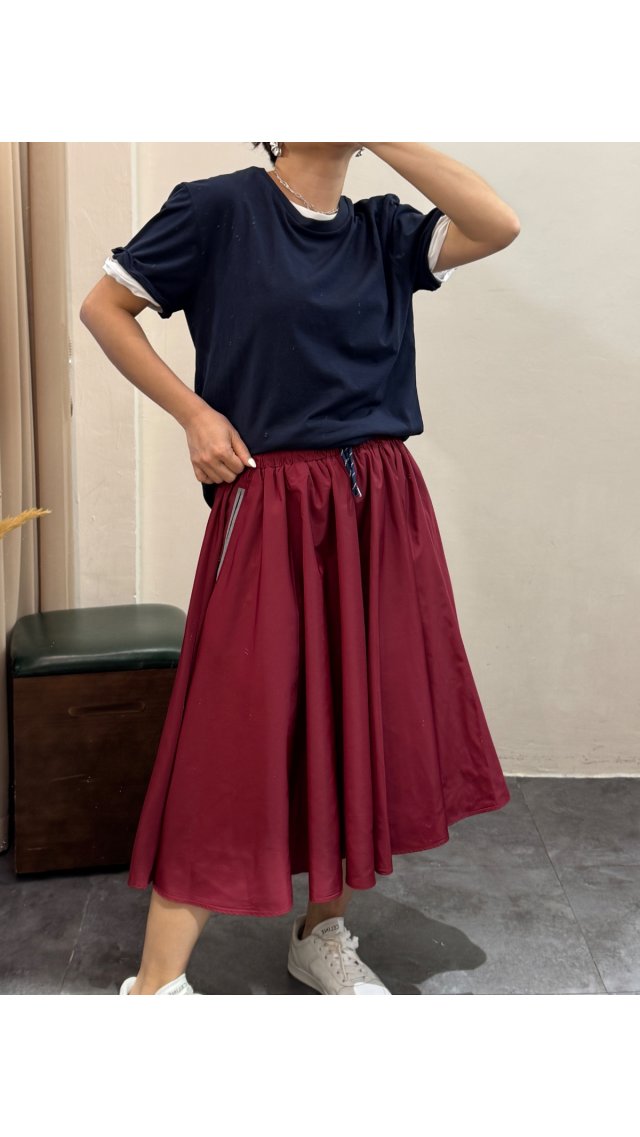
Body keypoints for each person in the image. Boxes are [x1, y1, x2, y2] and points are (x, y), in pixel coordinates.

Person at [79, 142, 520, 996]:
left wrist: (380, 125)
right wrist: (194, 415)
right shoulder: (218, 208)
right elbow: (104, 307)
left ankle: (322, 932)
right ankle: (154, 985)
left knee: (355, 718)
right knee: (230, 732)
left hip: (379, 504)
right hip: (273, 501)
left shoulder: (384, 230)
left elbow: (497, 223)